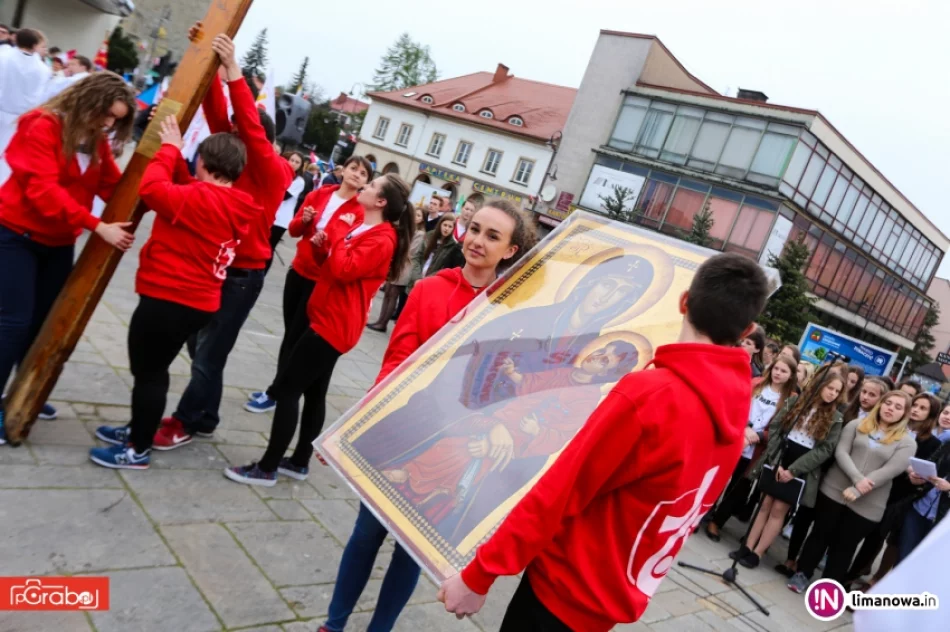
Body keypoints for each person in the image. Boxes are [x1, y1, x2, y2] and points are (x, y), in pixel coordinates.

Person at [437, 253, 770, 630]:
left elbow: (561, 490)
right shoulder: (733, 415)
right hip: (613, 595)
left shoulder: (651, 395)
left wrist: (480, 574)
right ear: (746, 332)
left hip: (564, 590)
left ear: (683, 301)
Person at [317, 199, 536, 632]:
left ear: (511, 250)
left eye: (493, 236)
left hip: (458, 448)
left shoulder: (514, 313)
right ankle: (334, 624)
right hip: (406, 432)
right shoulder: (431, 288)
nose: (477, 241)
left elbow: (504, 390)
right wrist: (355, 428)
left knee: (411, 549)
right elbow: (394, 366)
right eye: (475, 229)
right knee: (365, 534)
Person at [149, 31, 293, 448]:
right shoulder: (235, 157)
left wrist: (234, 72)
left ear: (254, 141)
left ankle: (187, 420)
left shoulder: (269, 168)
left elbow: (244, 121)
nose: (228, 129)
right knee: (199, 345)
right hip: (218, 266)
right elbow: (218, 115)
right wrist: (205, 58)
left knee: (209, 353)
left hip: (242, 275)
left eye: (238, 129)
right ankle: (207, 413)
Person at [225, 173, 415, 486]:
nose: (363, 187)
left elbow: (344, 270)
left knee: (287, 389)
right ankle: (299, 461)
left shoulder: (382, 239)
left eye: (370, 186)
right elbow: (334, 264)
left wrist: (336, 233)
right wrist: (320, 248)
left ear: (380, 202)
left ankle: (268, 466)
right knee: (315, 392)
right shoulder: (364, 227)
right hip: (326, 317)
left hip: (333, 326)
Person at [89, 121, 261, 468]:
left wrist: (168, 147)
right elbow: (184, 190)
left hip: (170, 297)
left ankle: (137, 450)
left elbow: (151, 188)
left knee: (148, 373)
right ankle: (140, 428)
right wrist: (177, 156)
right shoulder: (230, 202)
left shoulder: (201, 198)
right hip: (195, 301)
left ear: (203, 161)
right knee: (156, 370)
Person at [0, 72, 135, 444]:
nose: (108, 124)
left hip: (57, 242)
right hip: (15, 236)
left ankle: (21, 394)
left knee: (41, 323)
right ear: (87, 99)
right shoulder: (42, 125)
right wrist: (97, 224)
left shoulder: (95, 139)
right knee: (12, 321)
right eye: (106, 114)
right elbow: (42, 190)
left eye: (116, 120)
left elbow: (111, 184)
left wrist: (157, 197)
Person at [244, 156, 371, 414]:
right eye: (354, 168)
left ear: (366, 182)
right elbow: (292, 230)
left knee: (296, 338)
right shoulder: (321, 194)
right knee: (290, 332)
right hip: (298, 271)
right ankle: (280, 389)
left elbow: (345, 247)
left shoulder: (359, 210)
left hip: (321, 281)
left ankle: (276, 393)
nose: (357, 175)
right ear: (343, 170)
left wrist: (328, 240)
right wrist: (305, 220)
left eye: (364, 174)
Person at [786, 391, 916, 593]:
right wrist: (857, 480)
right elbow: (841, 452)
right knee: (820, 535)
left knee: (844, 546)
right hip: (834, 490)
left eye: (898, 407)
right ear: (880, 404)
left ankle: (828, 587)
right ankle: (803, 574)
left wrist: (860, 487)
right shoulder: (856, 425)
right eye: (888, 403)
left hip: (869, 503)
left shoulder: (907, 442)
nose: (890, 408)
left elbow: (892, 469)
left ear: (905, 413)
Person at [776, 375, 889, 577]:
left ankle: (811, 565)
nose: (865, 397)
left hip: (843, 480)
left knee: (826, 528)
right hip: (820, 470)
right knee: (804, 517)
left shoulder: (878, 424)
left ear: (881, 399)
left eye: (872, 395)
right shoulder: (845, 411)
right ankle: (791, 559)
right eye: (864, 392)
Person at [730, 370, 845, 569]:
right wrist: (776, 458)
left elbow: (825, 449)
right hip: (781, 456)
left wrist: (793, 470)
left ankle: (758, 552)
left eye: (837, 391)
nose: (832, 394)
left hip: (801, 464)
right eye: (830, 388)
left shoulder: (835, 418)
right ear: (819, 385)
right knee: (765, 503)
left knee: (778, 509)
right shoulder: (797, 403)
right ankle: (747, 546)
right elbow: (776, 427)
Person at [847, 392, 943, 587]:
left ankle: (854, 576)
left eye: (923, 408)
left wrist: (917, 478)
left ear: (931, 415)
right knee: (856, 532)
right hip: (876, 486)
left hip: (900, 497)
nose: (916, 410)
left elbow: (928, 472)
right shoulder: (895, 428)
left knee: (877, 538)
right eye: (915, 405)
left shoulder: (933, 443)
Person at [704, 356, 798, 541]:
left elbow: (783, 429)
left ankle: (717, 522)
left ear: (791, 376)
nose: (778, 373)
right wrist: (745, 427)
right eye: (776, 368)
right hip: (736, 438)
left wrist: (760, 436)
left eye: (783, 371)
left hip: (756, 450)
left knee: (739, 487)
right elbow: (737, 405)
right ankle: (702, 513)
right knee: (717, 479)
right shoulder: (757, 383)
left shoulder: (791, 399)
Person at [0, 28, 52, 184]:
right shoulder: (44, 69)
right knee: (6, 154)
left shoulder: (3, 56)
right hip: (20, 117)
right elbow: (41, 95)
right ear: (35, 45)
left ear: (15, 39)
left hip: (3, 108)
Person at [367, 205, 425, 333]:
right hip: (398, 263)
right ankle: (379, 320)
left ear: (422, 219)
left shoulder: (420, 234)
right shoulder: (408, 230)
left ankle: (383, 323)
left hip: (405, 267)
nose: (416, 217)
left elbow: (412, 251)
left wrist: (400, 248)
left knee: (393, 294)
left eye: (419, 215)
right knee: (387, 292)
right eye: (415, 214)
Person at [899, 431, 950, 562]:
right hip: (919, 507)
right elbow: (929, 463)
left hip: (942, 521)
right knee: (903, 557)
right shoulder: (947, 443)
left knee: (925, 562)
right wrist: (917, 475)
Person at [265, 151, 306, 274]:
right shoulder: (282, 173)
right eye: (292, 160)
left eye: (297, 162)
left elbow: (283, 195)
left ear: (301, 166)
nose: (293, 163)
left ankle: (262, 272)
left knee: (269, 247)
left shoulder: (299, 181)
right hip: (271, 214)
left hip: (281, 220)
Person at [426, 196, 483, 277]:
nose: (468, 212)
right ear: (462, 208)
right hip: (437, 260)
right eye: (466, 209)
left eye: (471, 210)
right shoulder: (450, 224)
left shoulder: (471, 232)